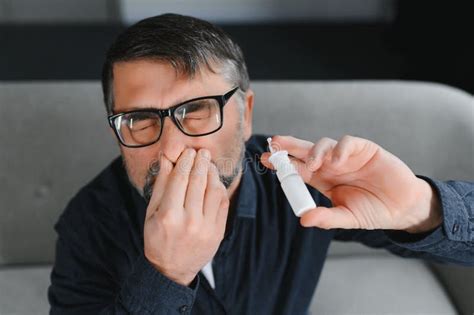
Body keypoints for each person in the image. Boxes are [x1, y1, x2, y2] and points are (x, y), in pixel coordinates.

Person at [48, 13, 474, 314]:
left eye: (197, 109)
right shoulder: (88, 223)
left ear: (246, 114)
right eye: (140, 119)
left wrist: (423, 206)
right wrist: (165, 274)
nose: (173, 150)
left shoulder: (298, 182)